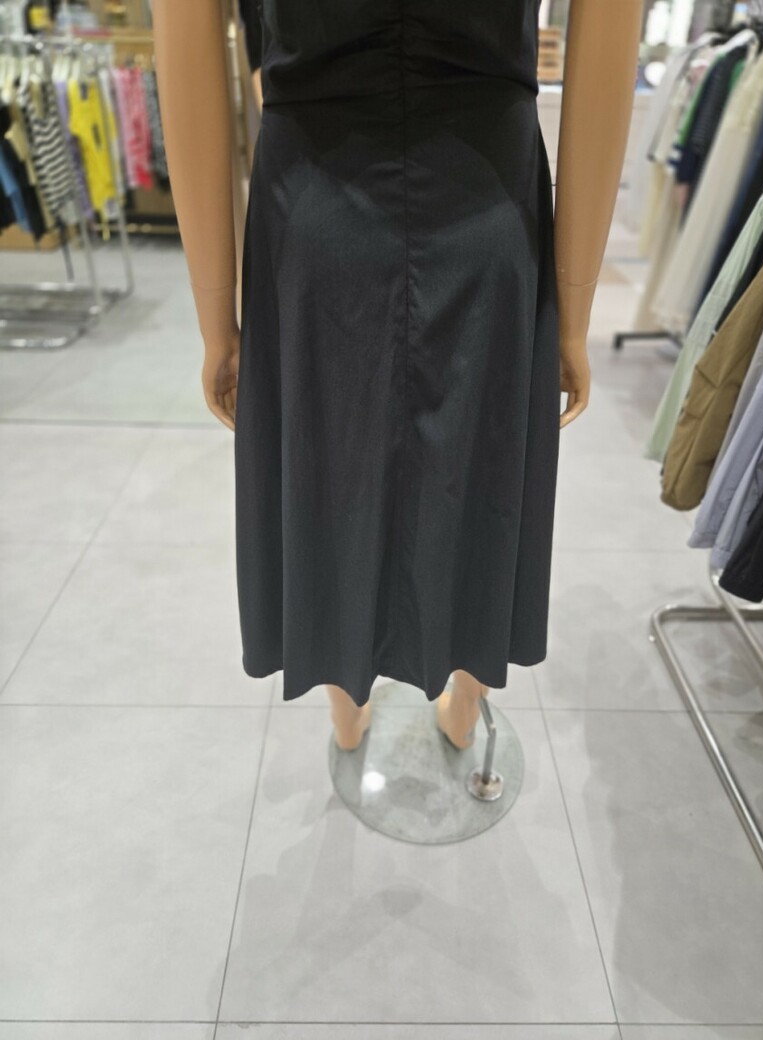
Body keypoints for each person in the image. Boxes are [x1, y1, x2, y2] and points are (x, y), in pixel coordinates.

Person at [152, 0, 643, 752]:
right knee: (481, 472)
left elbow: (185, 42)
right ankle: (465, 698)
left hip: (313, 215)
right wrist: (571, 313)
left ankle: (345, 704)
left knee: (326, 476)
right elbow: (609, 40)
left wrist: (215, 318)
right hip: (488, 206)